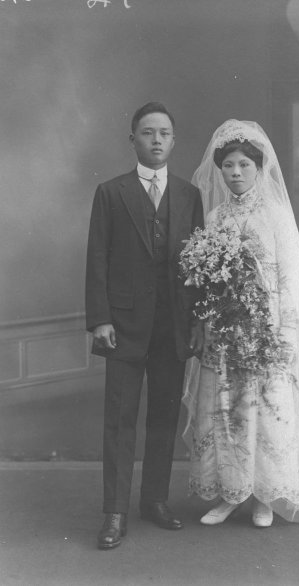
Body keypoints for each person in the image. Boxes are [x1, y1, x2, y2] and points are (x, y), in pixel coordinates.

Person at [182, 120, 299, 531]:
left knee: (266, 412)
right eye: (227, 166)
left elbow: (290, 280)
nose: (235, 172)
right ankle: (229, 493)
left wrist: (286, 334)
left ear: (259, 168)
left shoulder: (276, 215)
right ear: (219, 170)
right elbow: (205, 278)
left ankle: (264, 497)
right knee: (226, 411)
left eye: (243, 164)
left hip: (266, 331)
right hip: (224, 332)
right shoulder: (216, 215)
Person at [85, 102, 204, 549]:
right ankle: (114, 512)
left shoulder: (189, 195)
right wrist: (99, 319)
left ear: (174, 141)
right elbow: (98, 257)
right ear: (132, 139)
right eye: (148, 133)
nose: (157, 140)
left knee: (163, 417)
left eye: (165, 133)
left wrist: (195, 323)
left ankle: (154, 500)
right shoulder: (111, 193)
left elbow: (197, 268)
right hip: (124, 326)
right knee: (119, 420)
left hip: (172, 326)